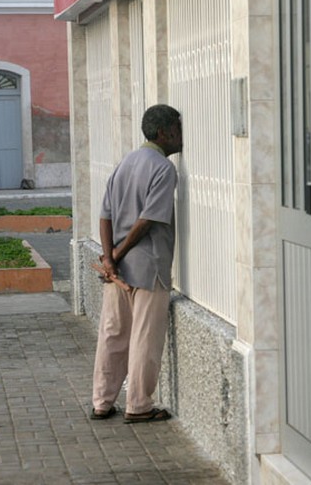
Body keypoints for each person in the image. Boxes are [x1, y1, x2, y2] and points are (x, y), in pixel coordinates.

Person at [90, 104, 183, 423]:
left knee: (113, 334)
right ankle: (139, 406)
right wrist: (115, 256)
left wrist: (110, 258)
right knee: (145, 338)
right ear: (165, 133)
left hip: (116, 271)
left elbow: (105, 217)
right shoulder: (163, 168)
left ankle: (102, 402)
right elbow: (146, 222)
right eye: (179, 130)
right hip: (148, 267)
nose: (182, 137)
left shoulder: (125, 162)